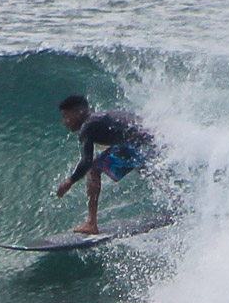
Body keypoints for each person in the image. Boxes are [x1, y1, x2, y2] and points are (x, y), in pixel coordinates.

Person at [53, 95, 156, 234]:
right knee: (147, 170)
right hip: (150, 139)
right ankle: (178, 201)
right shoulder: (98, 119)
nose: (65, 122)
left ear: (78, 112)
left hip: (137, 142)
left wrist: (70, 181)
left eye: (66, 116)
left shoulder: (88, 126)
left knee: (94, 168)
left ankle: (91, 223)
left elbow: (86, 161)